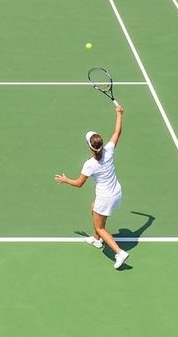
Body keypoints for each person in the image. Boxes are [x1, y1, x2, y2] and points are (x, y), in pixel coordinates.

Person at [55, 104, 129, 269]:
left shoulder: (90, 164)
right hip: (116, 191)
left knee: (100, 226)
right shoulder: (109, 150)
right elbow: (117, 133)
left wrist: (66, 180)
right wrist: (119, 114)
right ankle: (97, 240)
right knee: (94, 207)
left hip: (106, 196)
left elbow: (79, 184)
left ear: (90, 147)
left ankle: (119, 252)